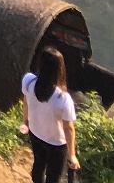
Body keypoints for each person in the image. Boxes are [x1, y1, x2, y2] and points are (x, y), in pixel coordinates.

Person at [21, 46, 81, 183]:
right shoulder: (62, 99)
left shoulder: (28, 81)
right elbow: (69, 129)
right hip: (56, 144)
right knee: (53, 177)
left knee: (38, 166)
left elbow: (26, 103)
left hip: (35, 133)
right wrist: (72, 154)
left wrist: (25, 121)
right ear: (59, 70)